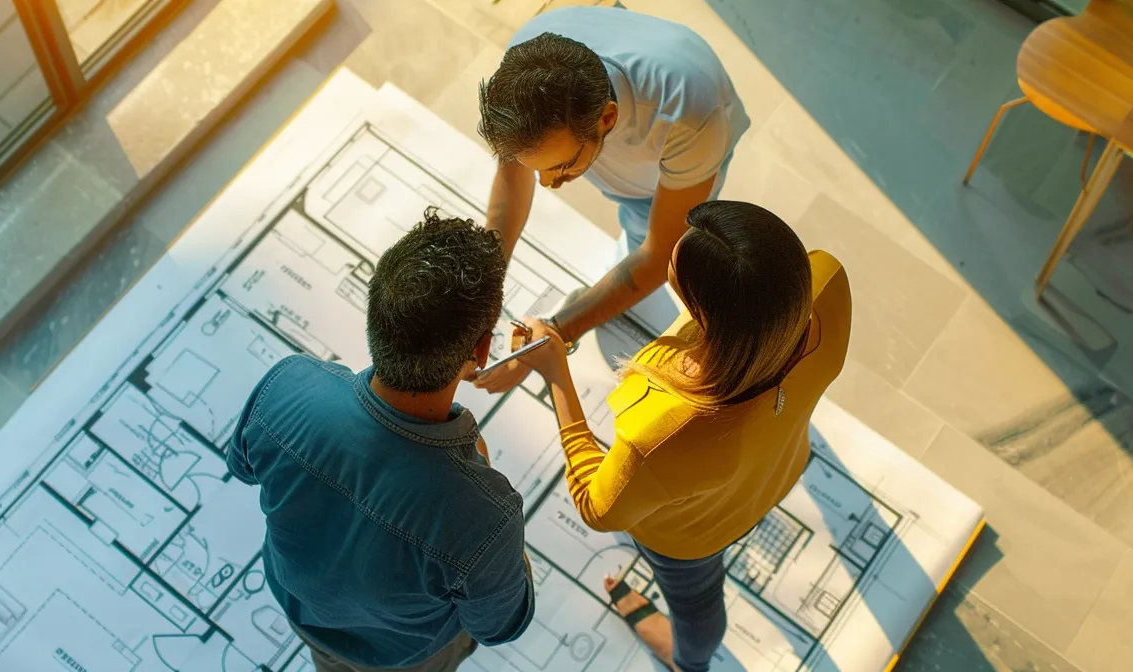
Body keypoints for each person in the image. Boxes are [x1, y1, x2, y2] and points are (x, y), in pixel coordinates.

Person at [513, 201, 852, 672]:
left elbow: (597, 505)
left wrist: (555, 372)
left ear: (706, 313)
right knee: (701, 595)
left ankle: (690, 664)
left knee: (696, 600)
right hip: (776, 471)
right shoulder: (827, 285)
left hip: (692, 535)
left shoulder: (666, 428)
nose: (673, 249)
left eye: (681, 256)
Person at [224, 209, 536, 672]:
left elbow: (243, 466)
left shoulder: (286, 386)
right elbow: (499, 624)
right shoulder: (484, 517)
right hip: (403, 659)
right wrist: (482, 489)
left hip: (304, 616)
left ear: (375, 318)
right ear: (480, 351)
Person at [473, 5, 751, 392]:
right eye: (535, 165)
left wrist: (556, 332)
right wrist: (485, 285)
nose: (547, 183)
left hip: (680, 157)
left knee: (657, 240)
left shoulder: (690, 114)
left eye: (563, 166)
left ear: (606, 118)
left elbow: (657, 254)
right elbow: (513, 177)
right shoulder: (523, 68)